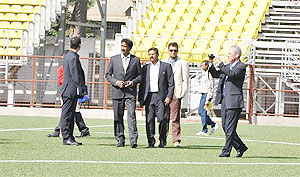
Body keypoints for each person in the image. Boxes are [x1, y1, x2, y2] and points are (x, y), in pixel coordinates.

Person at [209, 45, 248, 157]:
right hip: (225, 100)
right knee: (225, 127)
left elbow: (232, 74)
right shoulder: (228, 66)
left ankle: (226, 151)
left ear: (236, 55)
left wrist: (221, 65)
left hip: (234, 101)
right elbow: (216, 74)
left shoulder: (240, 66)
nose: (227, 55)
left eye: (230, 54)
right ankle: (241, 147)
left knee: (230, 127)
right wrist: (211, 64)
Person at [105, 38, 142, 148]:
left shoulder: (136, 60)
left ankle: (133, 140)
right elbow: (108, 75)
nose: (123, 48)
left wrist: (132, 82)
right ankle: (120, 139)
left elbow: (140, 76)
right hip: (117, 92)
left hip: (130, 92)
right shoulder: (114, 59)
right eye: (122, 46)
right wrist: (116, 82)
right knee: (118, 116)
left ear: (130, 48)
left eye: (125, 46)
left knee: (131, 116)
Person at [138, 47, 174, 148]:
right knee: (149, 120)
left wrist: (169, 96)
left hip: (161, 97)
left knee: (162, 119)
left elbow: (171, 83)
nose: (151, 56)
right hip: (149, 96)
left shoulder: (166, 66)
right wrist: (141, 99)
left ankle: (162, 141)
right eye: (149, 54)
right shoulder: (145, 68)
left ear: (157, 55)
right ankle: (151, 142)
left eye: (153, 54)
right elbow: (142, 85)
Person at [47, 65, 90, 138]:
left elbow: (80, 80)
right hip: (67, 92)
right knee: (69, 112)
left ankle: (83, 130)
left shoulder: (75, 68)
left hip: (74, 92)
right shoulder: (62, 68)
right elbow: (61, 81)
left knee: (72, 112)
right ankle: (83, 130)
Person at [161, 42, 189, 148]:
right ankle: (162, 139)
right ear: (168, 50)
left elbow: (185, 79)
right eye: (171, 50)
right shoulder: (163, 62)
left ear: (178, 51)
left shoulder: (183, 63)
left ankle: (176, 140)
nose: (173, 52)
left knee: (175, 117)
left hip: (176, 93)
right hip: (164, 92)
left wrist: (182, 93)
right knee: (164, 117)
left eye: (175, 50)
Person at [59, 36, 86, 146]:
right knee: (67, 114)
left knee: (70, 114)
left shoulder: (67, 56)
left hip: (68, 89)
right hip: (71, 90)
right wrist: (82, 88)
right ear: (79, 45)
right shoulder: (73, 57)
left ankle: (70, 136)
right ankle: (66, 137)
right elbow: (76, 75)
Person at [196, 60, 219, 136]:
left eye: (203, 65)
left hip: (207, 95)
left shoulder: (209, 74)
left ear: (206, 66)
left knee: (203, 112)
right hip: (203, 94)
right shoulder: (204, 74)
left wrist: (208, 98)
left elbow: (210, 86)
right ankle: (213, 124)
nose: (201, 66)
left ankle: (204, 129)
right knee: (200, 111)